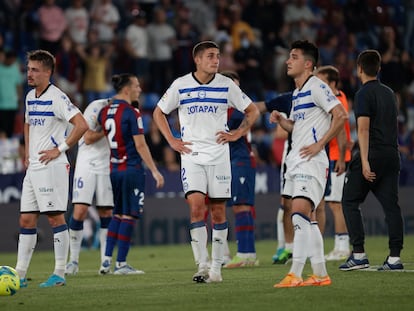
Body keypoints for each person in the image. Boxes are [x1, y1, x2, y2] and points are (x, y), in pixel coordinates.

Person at [153, 41, 259, 283]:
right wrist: (171, 140)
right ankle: (202, 264)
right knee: (196, 208)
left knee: (219, 213)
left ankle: (217, 270)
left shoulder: (226, 84)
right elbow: (159, 112)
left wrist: (238, 133)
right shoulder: (181, 85)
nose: (216, 60)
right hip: (191, 156)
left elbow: (252, 110)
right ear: (197, 60)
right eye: (211, 56)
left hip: (219, 156)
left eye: (218, 56)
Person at [270, 40, 347, 288]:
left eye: (293, 57)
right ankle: (321, 274)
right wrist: (282, 121)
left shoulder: (317, 86)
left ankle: (295, 273)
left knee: (299, 214)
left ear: (308, 64)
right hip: (295, 161)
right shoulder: (297, 93)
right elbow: (297, 128)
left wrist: (320, 143)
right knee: (309, 218)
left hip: (311, 161)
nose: (287, 61)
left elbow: (341, 115)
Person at [15, 49, 88, 288]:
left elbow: (81, 124)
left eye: (35, 70)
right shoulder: (30, 96)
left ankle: (59, 273)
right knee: (26, 220)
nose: (30, 74)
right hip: (34, 166)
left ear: (48, 72)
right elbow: (27, 124)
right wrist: (27, 152)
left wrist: (61, 149)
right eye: (29, 69)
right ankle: (20, 274)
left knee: (55, 218)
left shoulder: (57, 97)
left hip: (52, 165)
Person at [340, 50, 404, 271]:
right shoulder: (390, 93)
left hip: (373, 154)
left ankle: (358, 254)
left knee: (349, 201)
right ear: (379, 68)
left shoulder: (362, 94)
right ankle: (394, 258)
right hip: (392, 154)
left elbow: (364, 129)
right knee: (392, 207)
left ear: (359, 68)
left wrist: (365, 162)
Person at [98, 73, 164, 275]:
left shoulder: (104, 111)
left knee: (117, 213)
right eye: (136, 85)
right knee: (129, 215)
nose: (140, 89)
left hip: (114, 169)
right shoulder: (132, 113)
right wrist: (154, 170)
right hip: (131, 169)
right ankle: (121, 264)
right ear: (126, 89)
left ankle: (106, 261)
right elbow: (140, 144)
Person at [65, 98, 113, 275]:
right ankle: (73, 262)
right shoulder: (96, 107)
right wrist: (107, 131)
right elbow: (88, 137)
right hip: (87, 163)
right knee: (80, 211)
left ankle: (105, 262)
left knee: (106, 212)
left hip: (106, 164)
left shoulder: (127, 110)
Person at [216, 71, 258, 268]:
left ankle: (244, 253)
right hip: (235, 160)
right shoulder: (227, 109)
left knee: (241, 206)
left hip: (240, 160)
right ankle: (248, 253)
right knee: (241, 206)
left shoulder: (235, 111)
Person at [315, 65, 352, 261]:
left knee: (336, 204)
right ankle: (341, 245)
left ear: (332, 83)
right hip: (336, 155)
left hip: (337, 158)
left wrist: (340, 158)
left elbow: (340, 131)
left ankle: (342, 246)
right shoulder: (342, 98)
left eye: (322, 82)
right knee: (333, 203)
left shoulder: (336, 102)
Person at [256, 92, 294, 264]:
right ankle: (285, 246)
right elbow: (280, 133)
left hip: (307, 156)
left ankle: (299, 247)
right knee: (285, 205)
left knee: (309, 207)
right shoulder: (288, 101)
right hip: (289, 159)